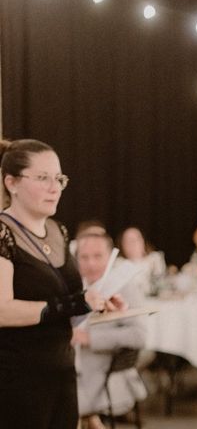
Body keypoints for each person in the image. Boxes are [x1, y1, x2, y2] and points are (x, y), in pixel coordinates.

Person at [0, 139, 124, 429]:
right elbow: (2, 310)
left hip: (62, 372)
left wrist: (99, 304)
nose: (54, 187)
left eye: (59, 178)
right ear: (12, 183)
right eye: (43, 178)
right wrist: (75, 303)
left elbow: (66, 302)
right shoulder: (3, 233)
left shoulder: (59, 231)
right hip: (18, 379)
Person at [74, 233, 147, 429]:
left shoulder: (126, 287)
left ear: (110, 257)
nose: (90, 264)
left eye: (97, 256)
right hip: (68, 366)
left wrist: (89, 338)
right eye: (84, 257)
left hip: (104, 373)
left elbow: (139, 336)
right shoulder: (72, 286)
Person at [116, 226, 166, 296]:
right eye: (128, 241)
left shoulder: (154, 259)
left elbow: (162, 283)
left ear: (143, 241)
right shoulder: (118, 264)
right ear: (122, 245)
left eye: (136, 239)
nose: (133, 244)